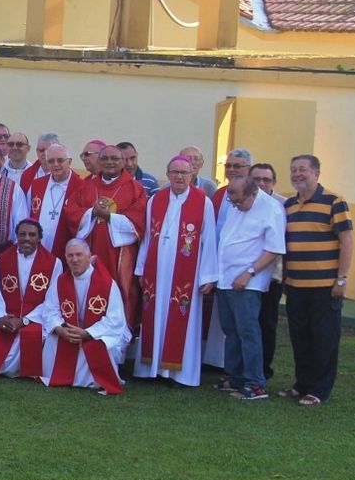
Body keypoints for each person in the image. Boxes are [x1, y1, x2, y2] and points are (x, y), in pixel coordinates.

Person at [133, 156, 219, 387]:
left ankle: (178, 374)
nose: (179, 177)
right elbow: (147, 237)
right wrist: (141, 269)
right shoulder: (156, 200)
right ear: (168, 174)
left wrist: (208, 276)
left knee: (182, 319)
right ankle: (151, 369)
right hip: (156, 273)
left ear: (192, 174)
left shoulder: (203, 202)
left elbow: (209, 240)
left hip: (185, 276)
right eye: (175, 172)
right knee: (153, 316)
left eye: (184, 173)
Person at [281, 154, 351, 406]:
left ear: (316, 173)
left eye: (302, 169)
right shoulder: (289, 205)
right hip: (296, 285)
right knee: (300, 337)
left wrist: (341, 279)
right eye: (293, 169)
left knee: (324, 339)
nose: (297, 174)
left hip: (325, 286)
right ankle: (302, 384)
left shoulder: (334, 201)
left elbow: (347, 241)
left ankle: (319, 389)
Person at [214, 177, 287, 400]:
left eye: (239, 201)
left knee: (248, 331)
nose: (235, 204)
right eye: (232, 200)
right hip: (225, 278)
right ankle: (235, 376)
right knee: (231, 330)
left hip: (248, 281)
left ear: (253, 193)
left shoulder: (271, 209)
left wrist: (249, 273)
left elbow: (274, 249)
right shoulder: (237, 203)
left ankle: (255, 383)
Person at [33, 239, 130, 395]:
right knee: (52, 340)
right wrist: (60, 329)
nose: (75, 259)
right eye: (70, 256)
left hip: (95, 333)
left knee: (101, 345)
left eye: (79, 255)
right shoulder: (60, 282)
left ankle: (93, 379)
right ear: (65, 258)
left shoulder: (107, 284)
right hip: (68, 333)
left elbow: (115, 319)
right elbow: (50, 310)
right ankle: (61, 375)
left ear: (89, 256)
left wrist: (87, 333)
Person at [0, 220, 62, 378]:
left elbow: (51, 301)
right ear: (17, 236)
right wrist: (1, 317)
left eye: (32, 235)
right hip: (5, 314)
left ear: (39, 238)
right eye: (22, 234)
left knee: (39, 335)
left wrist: (24, 321)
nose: (27, 238)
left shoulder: (54, 263)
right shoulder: (1, 259)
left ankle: (23, 370)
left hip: (36, 317)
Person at [72, 144, 147, 327]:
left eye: (114, 158)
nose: (109, 162)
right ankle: (89, 329)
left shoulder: (135, 188)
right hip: (92, 250)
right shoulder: (86, 186)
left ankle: (121, 334)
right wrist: (91, 213)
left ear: (123, 161)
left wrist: (109, 218)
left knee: (122, 291)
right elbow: (72, 212)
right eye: (105, 158)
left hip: (120, 254)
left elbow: (139, 219)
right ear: (99, 161)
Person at [248, 162, 285, 380]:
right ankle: (245, 369)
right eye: (256, 179)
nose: (261, 183)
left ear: (274, 182)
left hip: (271, 276)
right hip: (246, 277)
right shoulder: (243, 202)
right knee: (247, 325)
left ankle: (263, 370)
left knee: (266, 324)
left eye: (266, 180)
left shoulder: (282, 204)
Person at [24, 144, 83, 257]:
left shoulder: (81, 187)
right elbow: (28, 215)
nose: (55, 164)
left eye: (60, 160)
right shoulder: (36, 185)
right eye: (51, 161)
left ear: (69, 161)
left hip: (66, 251)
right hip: (36, 250)